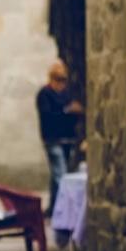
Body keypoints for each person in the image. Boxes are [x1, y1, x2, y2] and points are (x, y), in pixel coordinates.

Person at [36, 60, 84, 216]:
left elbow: (72, 116)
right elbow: (48, 116)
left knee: (58, 175)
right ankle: (63, 211)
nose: (61, 83)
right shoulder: (45, 94)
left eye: (63, 80)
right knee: (60, 174)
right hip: (53, 139)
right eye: (58, 79)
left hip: (67, 139)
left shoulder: (66, 94)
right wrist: (66, 111)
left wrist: (73, 112)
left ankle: (54, 207)